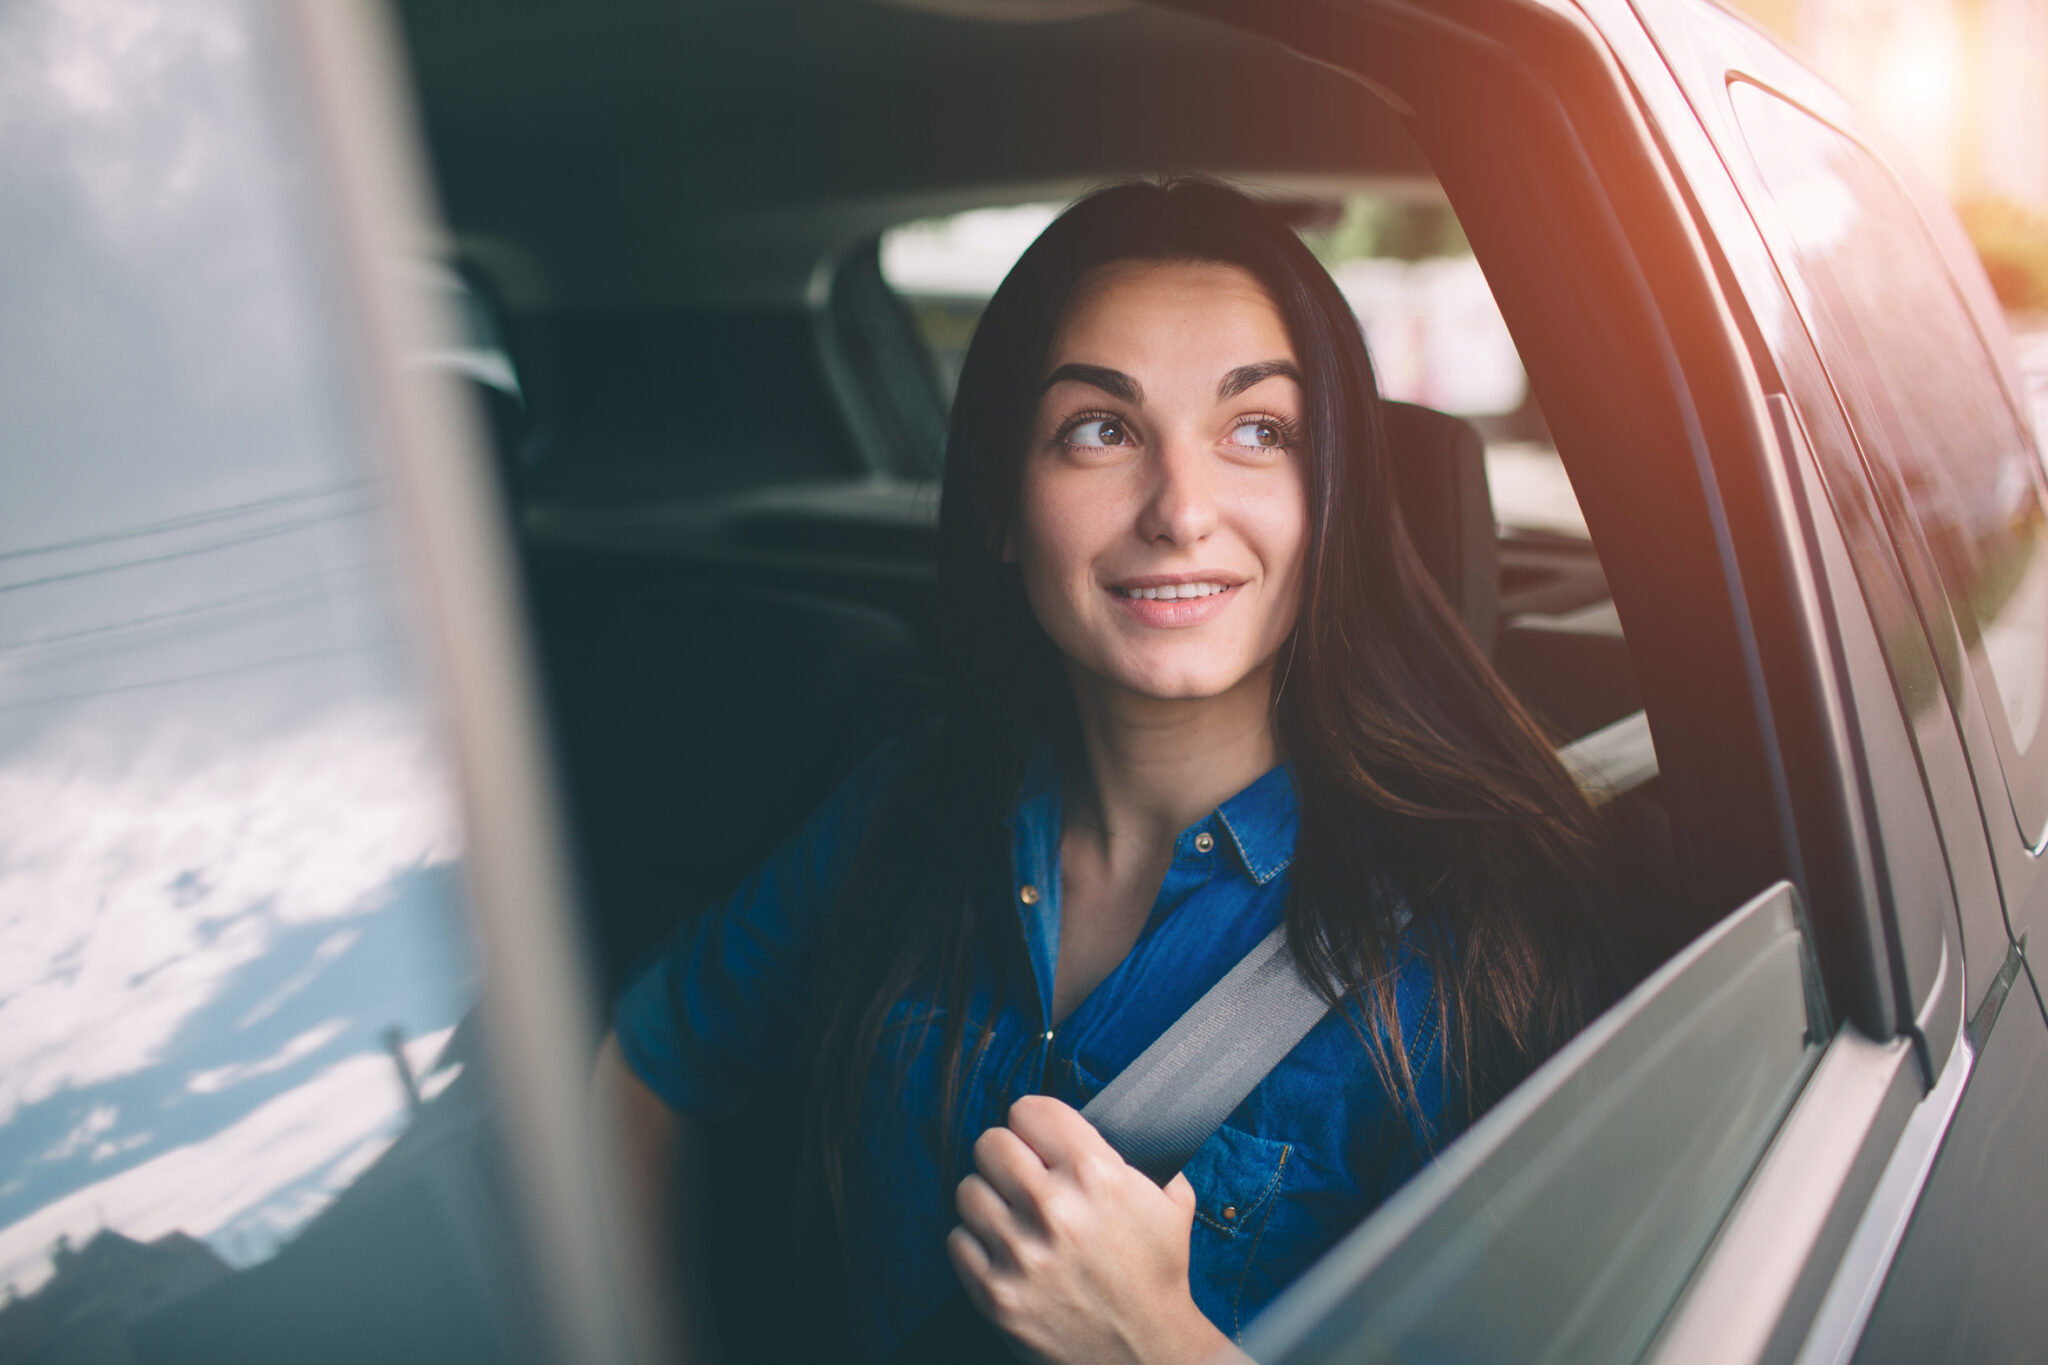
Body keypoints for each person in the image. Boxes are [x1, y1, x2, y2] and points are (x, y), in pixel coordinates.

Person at [592, 177, 1634, 1365]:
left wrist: (1149, 1339)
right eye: (1100, 429)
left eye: (1258, 431)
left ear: (1333, 499)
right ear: (998, 502)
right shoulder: (903, 809)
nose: (1179, 511)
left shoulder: (1476, 939)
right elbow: (647, 1058)